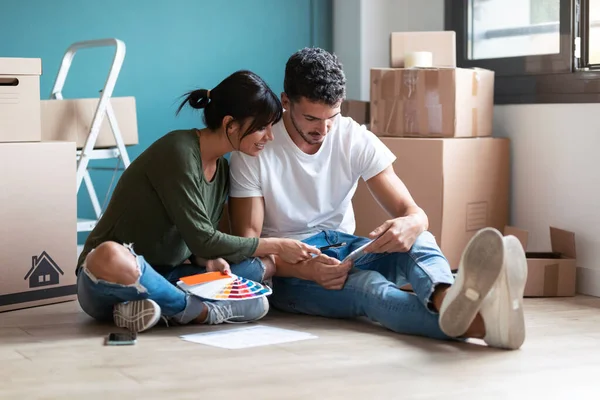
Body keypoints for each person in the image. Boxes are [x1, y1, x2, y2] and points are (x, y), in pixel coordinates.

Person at [228, 48, 528, 350]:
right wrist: (304, 268)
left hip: (347, 249)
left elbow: (413, 212)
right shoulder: (255, 149)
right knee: (370, 289)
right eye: (311, 118)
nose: (323, 129)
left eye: (332, 117)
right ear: (285, 102)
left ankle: (447, 298)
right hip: (289, 271)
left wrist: (409, 224)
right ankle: (486, 325)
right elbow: (248, 247)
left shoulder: (351, 137)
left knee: (419, 240)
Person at [76, 70, 320, 333]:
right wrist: (277, 245)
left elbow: (197, 240)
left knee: (260, 267)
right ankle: (198, 311)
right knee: (110, 255)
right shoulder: (178, 151)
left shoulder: (223, 170)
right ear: (231, 124)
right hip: (110, 276)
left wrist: (206, 261)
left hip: (169, 276)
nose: (269, 136)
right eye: (262, 127)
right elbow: (203, 238)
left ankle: (151, 306)